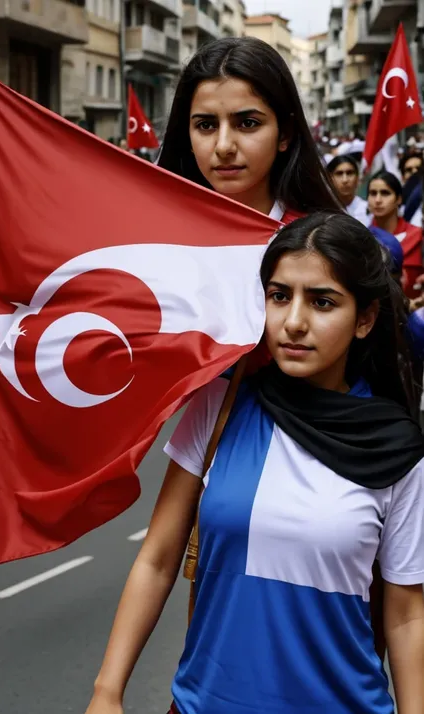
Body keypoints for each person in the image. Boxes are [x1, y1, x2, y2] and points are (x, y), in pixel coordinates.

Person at [85, 212, 424, 714]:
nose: (293, 322)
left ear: (365, 319)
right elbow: (157, 559)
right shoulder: (220, 408)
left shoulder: (397, 451)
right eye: (279, 295)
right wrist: (106, 691)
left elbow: (406, 615)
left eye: (322, 301)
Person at [157, 37, 340, 224]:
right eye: (206, 125)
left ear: (285, 133)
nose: (224, 146)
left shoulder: (323, 245)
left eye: (248, 123)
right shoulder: (153, 235)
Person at [368, 170, 422, 298]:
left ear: (398, 199)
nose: (378, 200)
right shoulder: (359, 239)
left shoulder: (418, 236)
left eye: (385, 193)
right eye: (373, 193)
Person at [327, 155, 370, 225]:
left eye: (349, 173)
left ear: (357, 178)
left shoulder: (369, 210)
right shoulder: (322, 210)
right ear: (329, 179)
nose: (345, 180)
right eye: (339, 174)